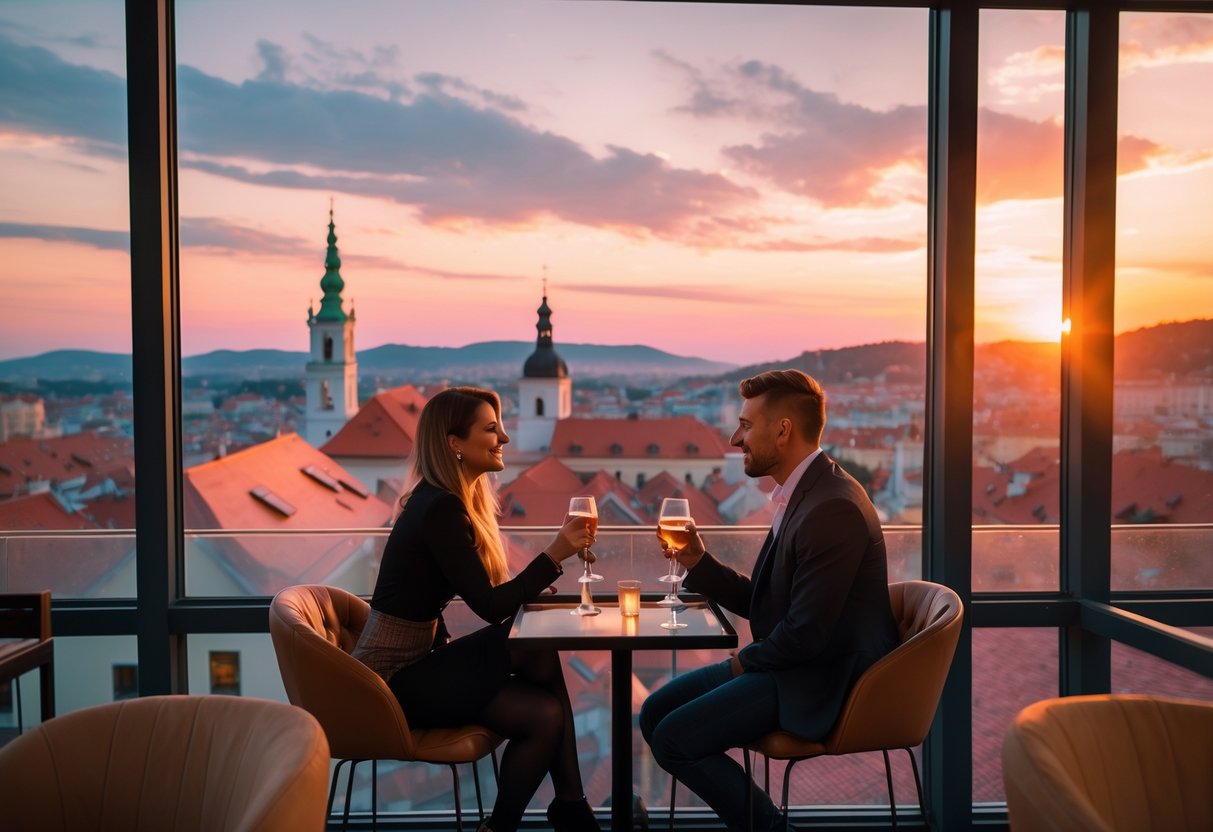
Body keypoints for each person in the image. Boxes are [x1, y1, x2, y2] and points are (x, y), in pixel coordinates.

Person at [639, 369, 899, 832]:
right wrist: (699, 560)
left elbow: (806, 634)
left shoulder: (831, 507)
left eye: (746, 425)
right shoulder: (806, 493)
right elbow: (768, 602)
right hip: (793, 664)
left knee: (674, 738)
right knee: (654, 713)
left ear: (783, 430)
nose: (737, 438)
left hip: (823, 680)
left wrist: (744, 664)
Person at [352, 386, 600, 832]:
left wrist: (533, 591)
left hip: (418, 667)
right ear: (454, 442)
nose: (504, 437)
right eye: (491, 428)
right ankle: (572, 808)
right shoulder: (440, 508)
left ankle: (516, 823)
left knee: (544, 716)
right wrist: (556, 552)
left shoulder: (444, 501)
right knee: (538, 646)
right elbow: (489, 607)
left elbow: (481, 601)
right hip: (388, 686)